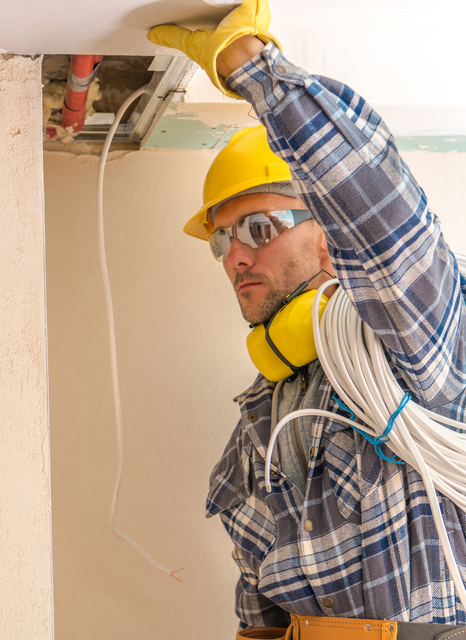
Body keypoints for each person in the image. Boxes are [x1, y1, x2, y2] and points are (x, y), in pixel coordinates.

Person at [148, 2, 466, 639]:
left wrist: (254, 70)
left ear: (330, 238)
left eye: (259, 228)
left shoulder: (414, 346)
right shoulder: (260, 418)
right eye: (221, 242)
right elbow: (258, 604)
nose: (235, 255)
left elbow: (385, 219)